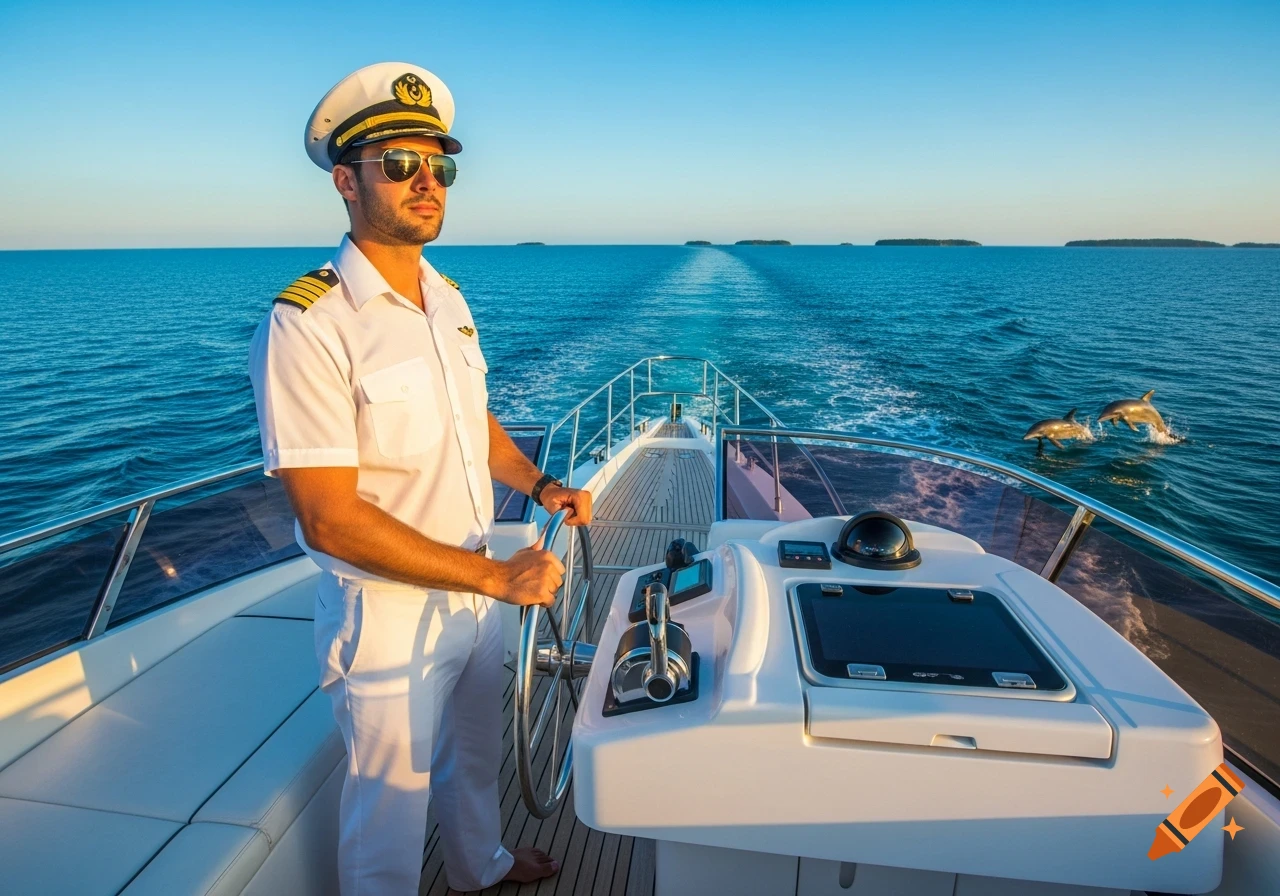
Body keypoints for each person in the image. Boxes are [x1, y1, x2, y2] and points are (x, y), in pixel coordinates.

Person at [248, 62, 591, 895]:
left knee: (476, 760)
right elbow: (329, 519)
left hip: (478, 591)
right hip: (389, 609)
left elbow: (470, 422)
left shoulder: (446, 299)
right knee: (387, 819)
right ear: (346, 180)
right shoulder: (310, 322)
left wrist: (542, 484)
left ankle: (482, 866)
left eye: (440, 167)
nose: (425, 182)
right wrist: (497, 576)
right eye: (399, 165)